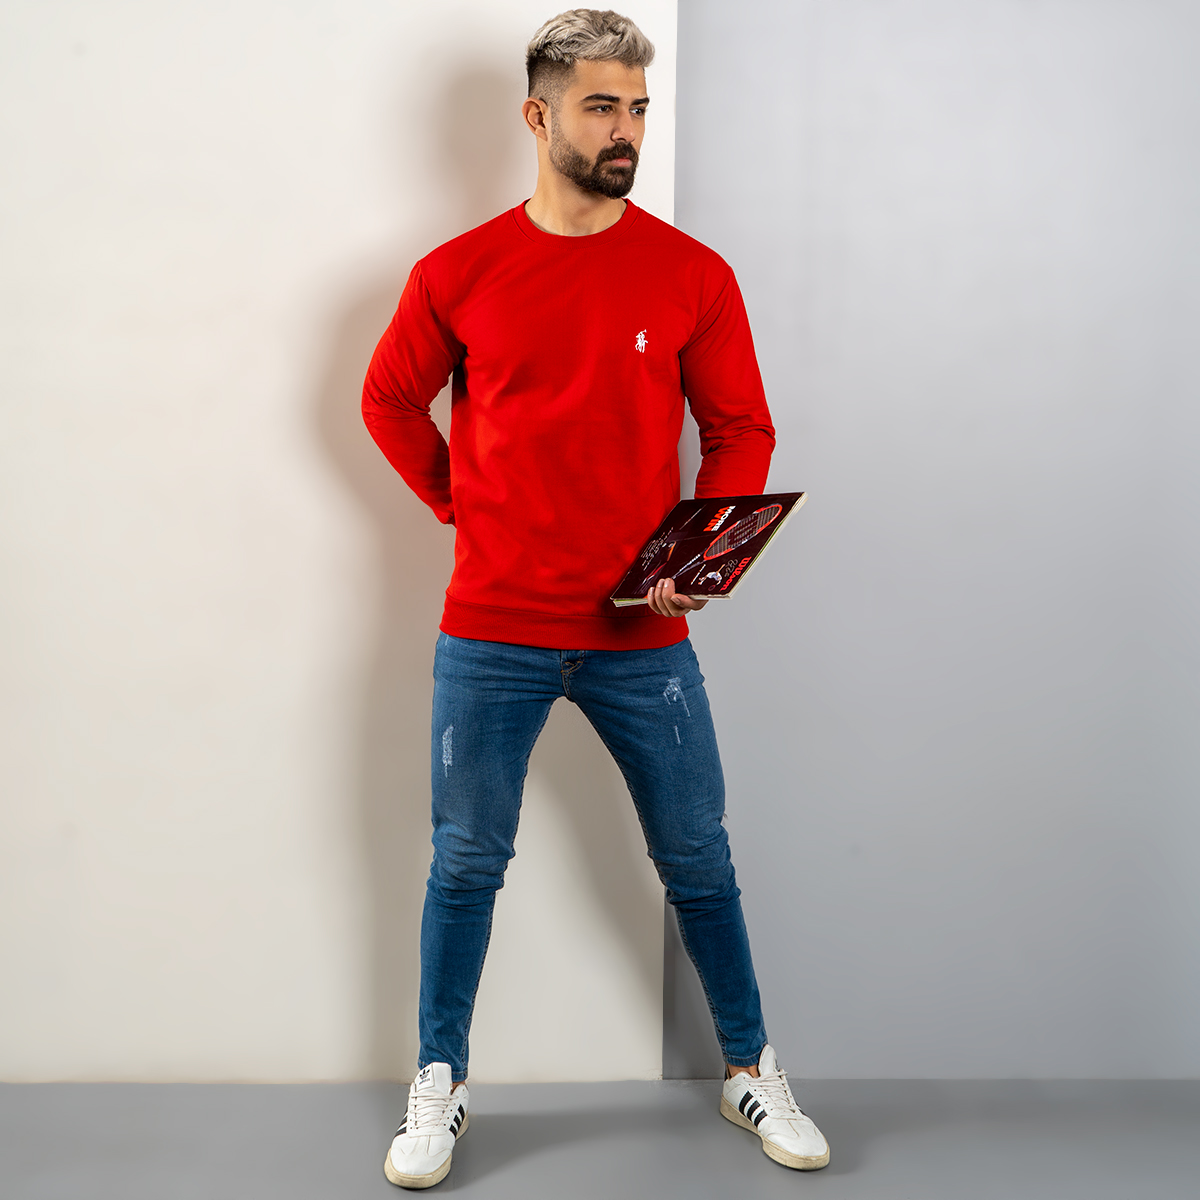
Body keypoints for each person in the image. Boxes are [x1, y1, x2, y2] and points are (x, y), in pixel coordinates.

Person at [362, 9, 830, 1189]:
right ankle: (440, 1081)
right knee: (466, 863)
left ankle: (749, 1068)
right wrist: (460, 501)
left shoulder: (690, 273)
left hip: (642, 635)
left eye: (638, 109)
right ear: (538, 115)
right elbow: (389, 400)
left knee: (699, 859)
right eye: (602, 106)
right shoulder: (459, 272)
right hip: (492, 631)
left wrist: (703, 552)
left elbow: (740, 428)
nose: (626, 129)